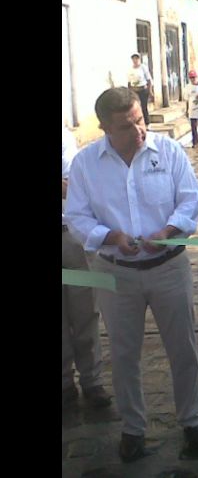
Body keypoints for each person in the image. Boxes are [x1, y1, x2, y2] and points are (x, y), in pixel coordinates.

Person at [64, 87, 198, 463]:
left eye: (140, 119)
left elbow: (190, 198)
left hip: (169, 267)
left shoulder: (169, 151)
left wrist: (166, 232)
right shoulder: (86, 165)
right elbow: (77, 217)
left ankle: (193, 421)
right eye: (126, 126)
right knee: (125, 352)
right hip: (116, 273)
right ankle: (133, 429)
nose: (138, 131)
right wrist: (110, 236)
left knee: (183, 348)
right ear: (104, 128)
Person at [62, 125, 111, 410]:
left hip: (69, 238)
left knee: (83, 312)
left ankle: (92, 380)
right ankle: (64, 383)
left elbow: (71, 187)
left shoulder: (64, 138)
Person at [127, 53, 153, 125]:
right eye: (134, 59)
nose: (135, 60)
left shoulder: (143, 68)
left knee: (144, 107)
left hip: (143, 90)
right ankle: (138, 122)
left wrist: (150, 91)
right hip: (134, 91)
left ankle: (147, 123)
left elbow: (149, 80)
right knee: (135, 107)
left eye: (137, 58)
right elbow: (129, 82)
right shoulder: (130, 70)